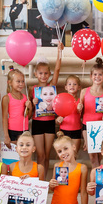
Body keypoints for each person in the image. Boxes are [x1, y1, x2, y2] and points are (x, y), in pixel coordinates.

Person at [30, 44, 63, 177]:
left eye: (45, 73)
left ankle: (43, 181)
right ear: (35, 74)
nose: (43, 76)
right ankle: (40, 181)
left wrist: (59, 51)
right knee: (40, 155)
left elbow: (57, 69)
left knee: (47, 155)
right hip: (37, 123)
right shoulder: (32, 89)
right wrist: (33, 103)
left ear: (49, 74)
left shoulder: (52, 86)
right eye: (40, 73)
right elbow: (29, 111)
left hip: (50, 122)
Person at [47, 133, 89, 204]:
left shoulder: (82, 168)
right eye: (59, 151)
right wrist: (51, 184)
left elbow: (83, 193)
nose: (63, 153)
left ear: (73, 147)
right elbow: (53, 189)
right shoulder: (57, 166)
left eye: (66, 148)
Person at [8, 132, 45, 204]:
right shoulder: (12, 166)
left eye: (28, 145)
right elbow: (8, 190)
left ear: (33, 149)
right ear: (16, 148)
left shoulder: (39, 168)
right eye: (21, 145)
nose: (24, 147)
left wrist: (31, 182)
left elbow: (41, 193)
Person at [78, 58, 103, 168]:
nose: (97, 77)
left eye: (100, 75)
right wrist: (79, 108)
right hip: (87, 126)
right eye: (95, 74)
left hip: (101, 126)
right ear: (91, 76)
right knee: (92, 157)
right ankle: (95, 177)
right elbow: (79, 113)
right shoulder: (84, 91)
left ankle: (98, 176)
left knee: (100, 156)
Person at [2, 69, 32, 146]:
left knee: (24, 152)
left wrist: (30, 107)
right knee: (15, 153)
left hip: (25, 130)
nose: (21, 84)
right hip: (12, 131)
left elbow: (28, 117)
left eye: (22, 81)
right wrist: (6, 136)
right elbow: (4, 118)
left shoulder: (26, 98)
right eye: (18, 81)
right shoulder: (6, 98)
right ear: (10, 83)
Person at [57, 75, 82, 154]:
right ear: (66, 87)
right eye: (69, 84)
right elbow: (57, 120)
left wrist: (80, 109)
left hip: (76, 130)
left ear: (79, 87)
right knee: (63, 155)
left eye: (75, 84)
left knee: (74, 154)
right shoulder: (61, 100)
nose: (72, 86)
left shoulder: (80, 101)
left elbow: (83, 116)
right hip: (64, 130)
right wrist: (58, 120)